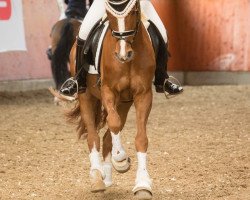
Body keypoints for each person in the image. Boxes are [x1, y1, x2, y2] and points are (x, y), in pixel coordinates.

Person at [59, 0, 183, 96]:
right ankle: (78, 80)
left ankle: (162, 79)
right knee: (84, 32)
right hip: (106, 2)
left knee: (162, 32)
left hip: (137, 2)